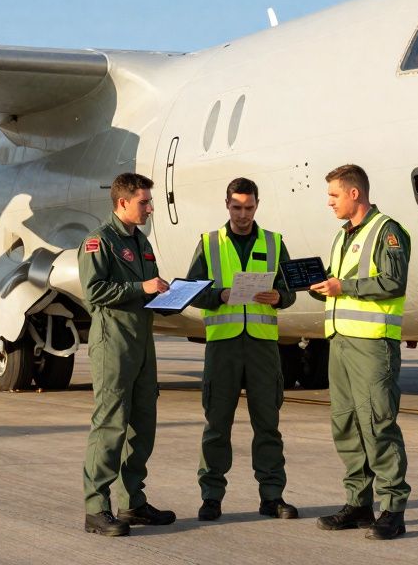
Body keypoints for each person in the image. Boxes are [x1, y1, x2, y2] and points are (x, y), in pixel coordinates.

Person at [308, 164, 412, 541]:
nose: (330, 203)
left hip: (372, 344)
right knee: (347, 425)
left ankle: (393, 509)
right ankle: (358, 503)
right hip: (340, 341)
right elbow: (341, 284)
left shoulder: (387, 231)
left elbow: (392, 281)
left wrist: (343, 287)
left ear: (354, 194)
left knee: (378, 425)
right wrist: (323, 287)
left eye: (334, 195)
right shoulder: (341, 236)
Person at [185, 177, 298, 522]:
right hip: (223, 347)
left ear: (257, 205)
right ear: (227, 205)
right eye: (237, 208)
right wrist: (218, 295)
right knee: (217, 425)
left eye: (249, 208)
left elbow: (290, 289)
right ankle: (211, 497)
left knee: (268, 425)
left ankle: (272, 496)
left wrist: (280, 297)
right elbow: (191, 289)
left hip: (263, 347)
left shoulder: (274, 242)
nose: (243, 214)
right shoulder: (209, 243)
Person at [80, 172, 176, 537]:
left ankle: (132, 502)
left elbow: (145, 291)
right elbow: (94, 292)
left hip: (142, 342)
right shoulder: (99, 242)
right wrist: (142, 286)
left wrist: (170, 295)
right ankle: (96, 508)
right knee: (110, 426)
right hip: (113, 344)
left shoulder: (141, 242)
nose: (150, 208)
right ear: (122, 202)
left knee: (142, 425)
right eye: (144, 202)